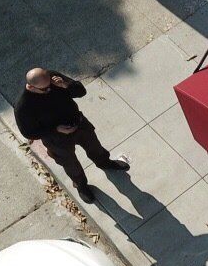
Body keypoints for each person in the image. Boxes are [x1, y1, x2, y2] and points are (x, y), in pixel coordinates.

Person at [14, 68, 129, 204]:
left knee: (95, 147)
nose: (49, 89)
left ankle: (105, 163)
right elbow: (28, 133)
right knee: (70, 164)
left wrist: (66, 85)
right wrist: (56, 129)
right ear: (31, 87)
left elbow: (81, 91)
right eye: (44, 89)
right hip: (57, 139)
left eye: (50, 84)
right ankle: (81, 186)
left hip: (79, 125)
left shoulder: (53, 78)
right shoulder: (24, 106)